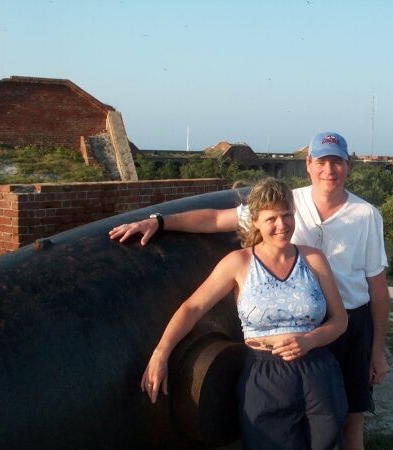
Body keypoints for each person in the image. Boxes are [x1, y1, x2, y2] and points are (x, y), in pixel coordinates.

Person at [111, 131, 390, 449]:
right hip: (286, 341)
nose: (330, 170)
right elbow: (216, 219)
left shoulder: (364, 215)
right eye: (322, 162)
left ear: (348, 166)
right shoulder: (285, 200)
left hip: (346, 323)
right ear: (309, 164)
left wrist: (376, 350)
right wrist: (159, 222)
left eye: (337, 162)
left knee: (349, 424)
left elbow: (377, 287)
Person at [140, 178, 348, 450]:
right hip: (264, 373)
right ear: (255, 221)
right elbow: (192, 308)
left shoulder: (313, 259)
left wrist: (310, 341)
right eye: (271, 218)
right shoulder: (238, 263)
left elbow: (340, 319)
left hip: (317, 368)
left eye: (287, 215)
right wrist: (161, 352)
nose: (282, 225)